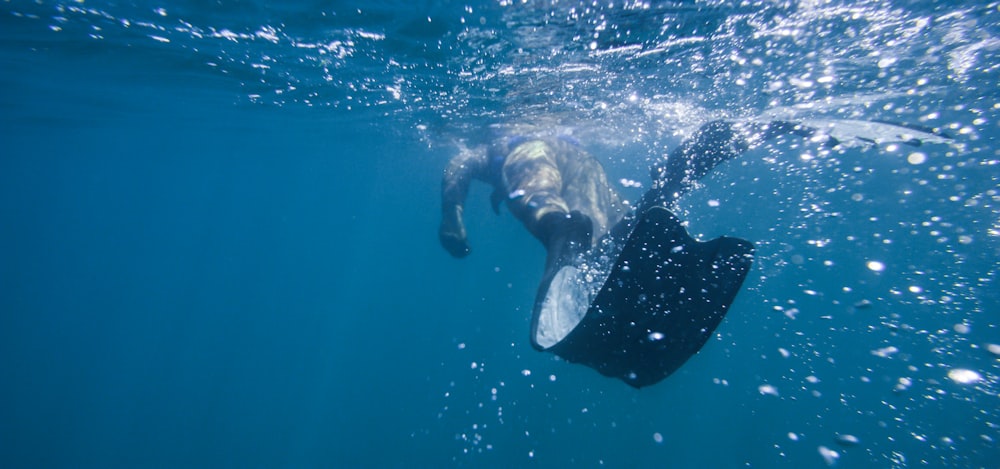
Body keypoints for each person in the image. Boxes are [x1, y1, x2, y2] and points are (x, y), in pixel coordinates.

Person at [438, 120, 816, 277]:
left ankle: (558, 230)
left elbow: (458, 165)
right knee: (620, 238)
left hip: (530, 152)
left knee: (541, 202)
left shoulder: (496, 144)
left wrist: (452, 216)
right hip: (580, 161)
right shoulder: (555, 131)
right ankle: (679, 175)